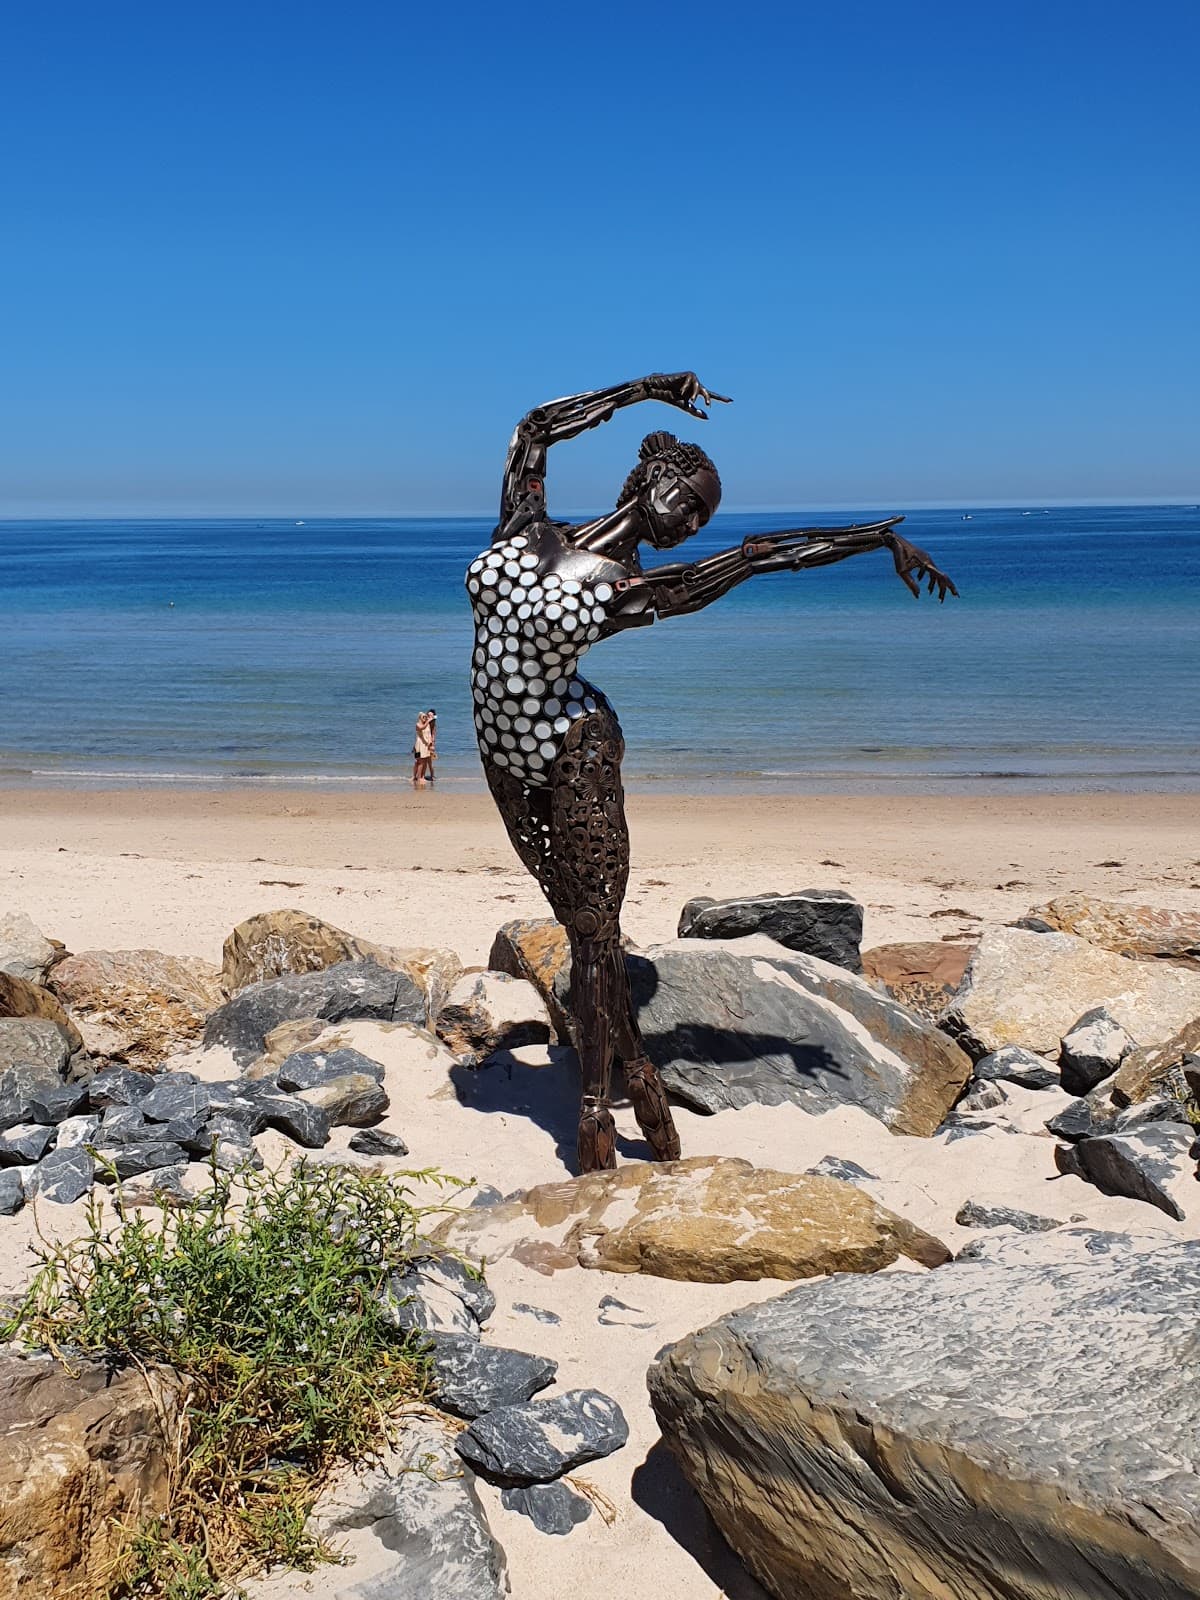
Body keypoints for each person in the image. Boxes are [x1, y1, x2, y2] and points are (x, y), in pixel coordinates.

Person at [466, 372, 956, 1173]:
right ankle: (637, 1070)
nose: (692, 523)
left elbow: (757, 560)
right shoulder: (527, 525)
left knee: (590, 929)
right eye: (690, 502)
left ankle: (594, 1112)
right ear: (654, 477)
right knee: (590, 932)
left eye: (702, 517)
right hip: (501, 758)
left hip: (573, 750)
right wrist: (644, 389)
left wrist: (874, 541)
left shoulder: (628, 589)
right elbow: (535, 427)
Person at [412, 709, 436, 788]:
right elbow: (421, 729)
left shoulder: (428, 724)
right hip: (418, 745)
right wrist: (428, 721)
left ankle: (422, 776)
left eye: (425, 716)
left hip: (425, 746)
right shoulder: (419, 724)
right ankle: (415, 777)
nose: (425, 717)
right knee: (417, 762)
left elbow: (431, 735)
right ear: (419, 717)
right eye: (424, 716)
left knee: (425, 762)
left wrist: (432, 744)